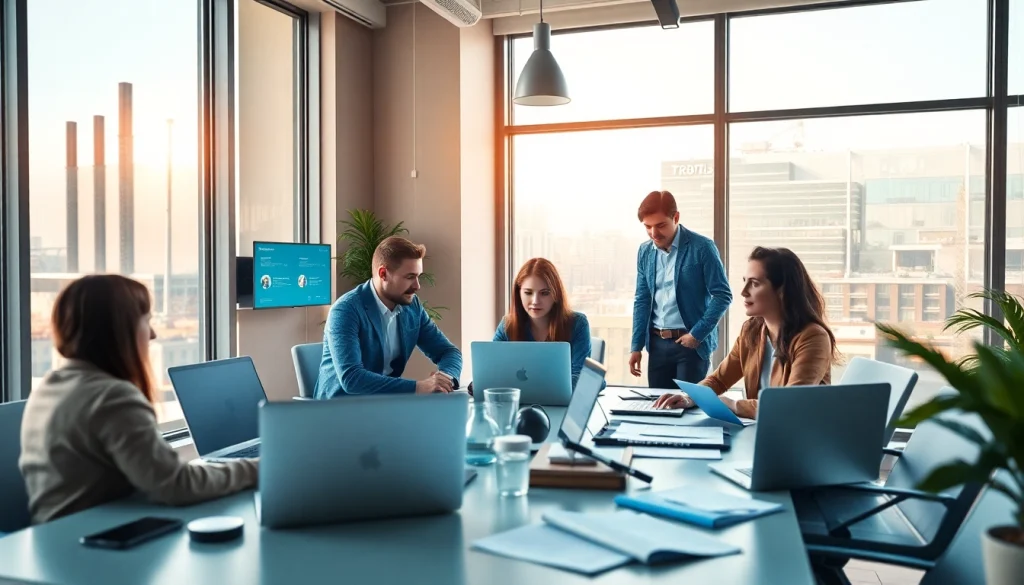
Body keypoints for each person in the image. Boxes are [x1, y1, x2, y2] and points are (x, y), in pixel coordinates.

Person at [19, 275, 257, 525]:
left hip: (56, 539)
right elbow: (176, 485)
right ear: (118, 330)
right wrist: (259, 468)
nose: (153, 334)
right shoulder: (111, 397)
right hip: (94, 541)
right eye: (146, 320)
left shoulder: (49, 386)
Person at [653, 246, 838, 418]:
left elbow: (789, 405)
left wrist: (734, 405)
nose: (743, 292)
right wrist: (690, 398)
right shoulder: (752, 330)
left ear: (782, 290)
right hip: (764, 430)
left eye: (755, 283)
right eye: (744, 282)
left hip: (800, 438)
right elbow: (718, 380)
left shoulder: (814, 338)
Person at [314, 236, 462, 398]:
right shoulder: (346, 310)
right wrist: (419, 387)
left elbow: (448, 352)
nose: (417, 286)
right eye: (410, 277)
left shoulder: (412, 307)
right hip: (339, 410)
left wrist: (445, 379)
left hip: (385, 406)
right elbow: (352, 379)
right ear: (383, 273)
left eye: (418, 276)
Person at [629, 190, 732, 389]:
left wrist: (697, 334)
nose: (653, 233)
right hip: (657, 344)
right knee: (657, 408)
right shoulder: (645, 251)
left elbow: (722, 295)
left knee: (688, 408)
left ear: (676, 217)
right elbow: (642, 299)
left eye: (660, 225)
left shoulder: (702, 247)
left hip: (691, 344)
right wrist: (636, 346)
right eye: (647, 227)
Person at [493, 258, 592, 389]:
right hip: (518, 404)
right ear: (519, 293)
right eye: (528, 292)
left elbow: (580, 378)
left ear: (556, 294)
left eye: (544, 293)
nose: (535, 301)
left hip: (562, 406)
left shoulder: (578, 324)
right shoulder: (507, 325)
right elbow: (492, 372)